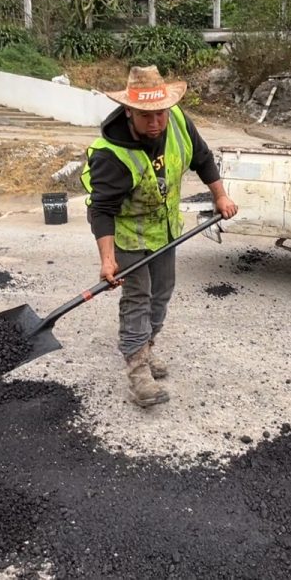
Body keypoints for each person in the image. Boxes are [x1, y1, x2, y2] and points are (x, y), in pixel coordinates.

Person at [81, 66, 238, 408]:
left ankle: (147, 348)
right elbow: (101, 210)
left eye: (160, 114)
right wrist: (108, 259)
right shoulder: (111, 155)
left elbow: (203, 158)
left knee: (162, 293)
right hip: (129, 236)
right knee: (138, 298)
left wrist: (220, 196)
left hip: (165, 231)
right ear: (128, 112)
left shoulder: (177, 121)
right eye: (145, 116)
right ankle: (138, 373)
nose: (155, 123)